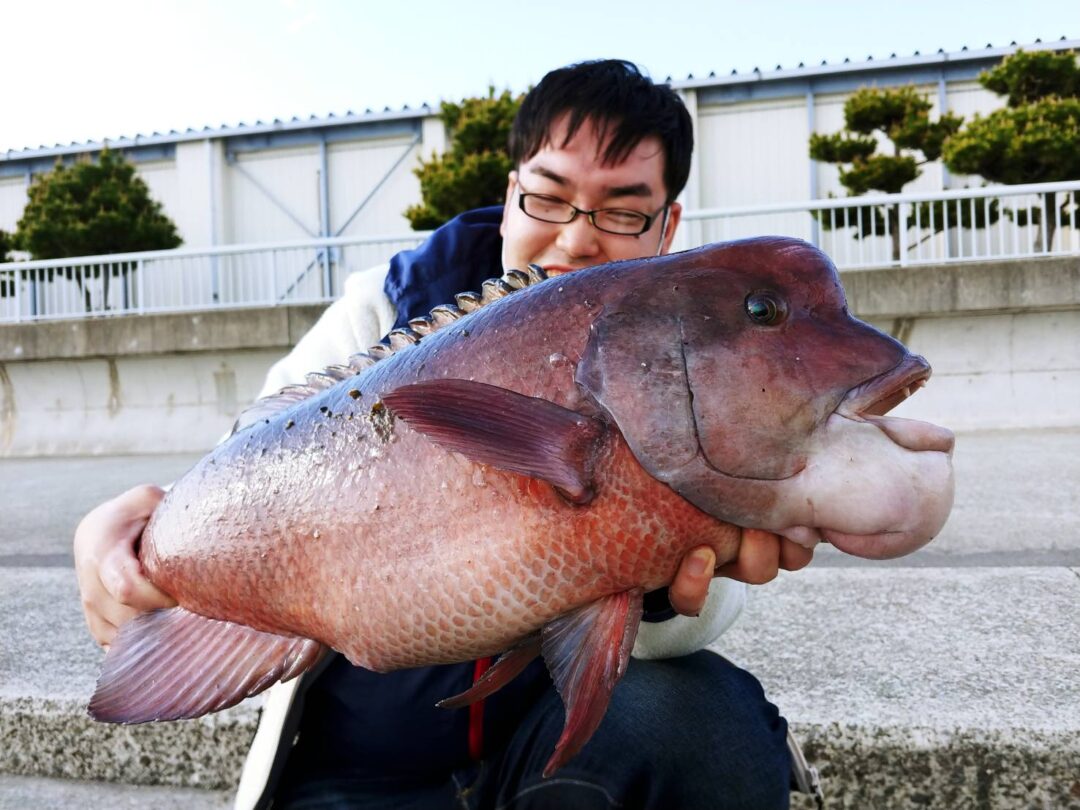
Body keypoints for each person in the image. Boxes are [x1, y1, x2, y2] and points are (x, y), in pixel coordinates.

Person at [74, 60, 814, 809]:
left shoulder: (698, 358)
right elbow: (248, 455)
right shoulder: (383, 305)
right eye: (549, 197)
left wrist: (658, 587)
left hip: (554, 748)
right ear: (510, 194)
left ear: (669, 227)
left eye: (622, 212)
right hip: (356, 768)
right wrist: (130, 529)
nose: (575, 237)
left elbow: (708, 613)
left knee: (707, 720)